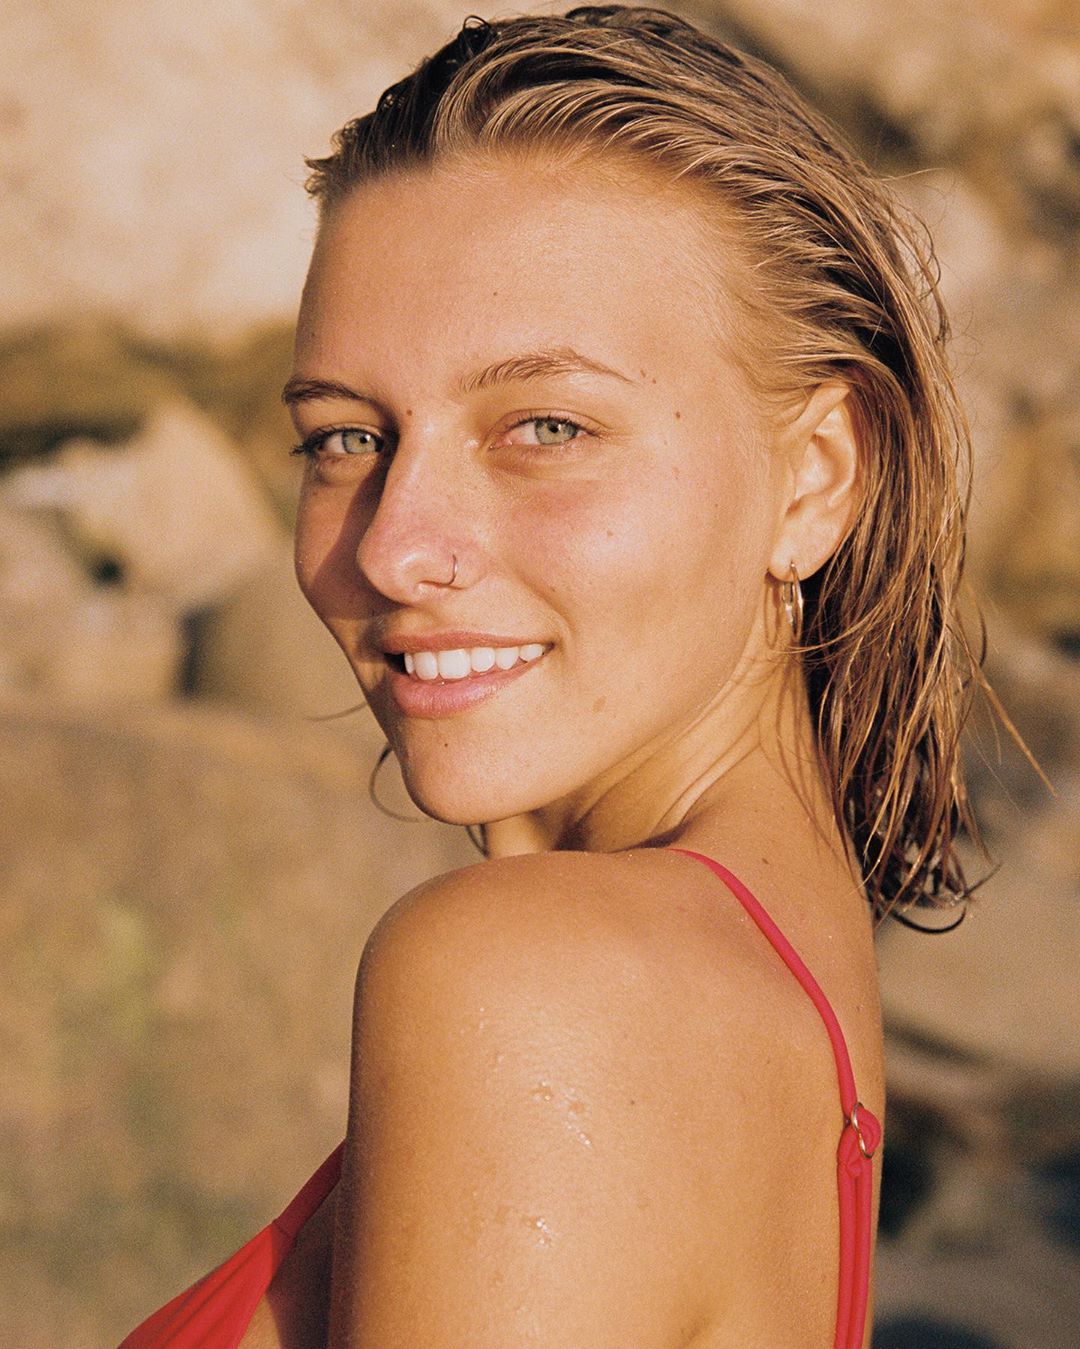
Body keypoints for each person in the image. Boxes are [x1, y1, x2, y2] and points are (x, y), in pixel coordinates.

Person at [120, 5, 988, 1346]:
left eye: (544, 425)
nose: (398, 545)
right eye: (345, 436)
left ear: (816, 477)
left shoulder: (532, 983)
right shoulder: (784, 970)